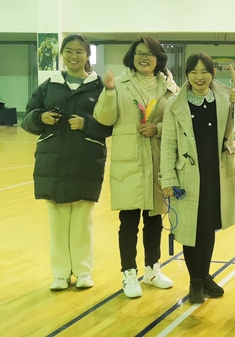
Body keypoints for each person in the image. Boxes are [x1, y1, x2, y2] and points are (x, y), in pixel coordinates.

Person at [22, 34, 112, 290]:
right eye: (69, 51)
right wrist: (40, 118)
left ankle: (83, 272)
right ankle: (60, 273)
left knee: (83, 220)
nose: (74, 56)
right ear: (61, 54)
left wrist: (87, 124)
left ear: (88, 55)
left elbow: (110, 124)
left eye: (79, 51)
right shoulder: (48, 85)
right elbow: (27, 118)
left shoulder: (99, 87)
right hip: (53, 163)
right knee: (58, 221)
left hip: (86, 161)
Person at [94, 37, 178, 298]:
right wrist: (109, 92)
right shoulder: (119, 85)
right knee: (129, 221)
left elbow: (178, 122)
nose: (144, 58)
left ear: (158, 58)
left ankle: (153, 269)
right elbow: (104, 119)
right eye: (139, 53)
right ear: (132, 56)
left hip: (157, 162)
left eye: (149, 54)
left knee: (154, 220)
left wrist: (158, 129)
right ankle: (128, 273)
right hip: (130, 161)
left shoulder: (169, 86)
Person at [160, 52, 235, 304]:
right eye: (194, 72)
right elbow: (168, 144)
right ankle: (195, 281)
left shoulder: (224, 98)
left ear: (213, 74)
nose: (199, 77)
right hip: (186, 175)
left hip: (215, 173)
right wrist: (168, 180)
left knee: (208, 227)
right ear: (186, 75)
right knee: (191, 229)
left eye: (204, 72)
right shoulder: (175, 104)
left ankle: (205, 275)